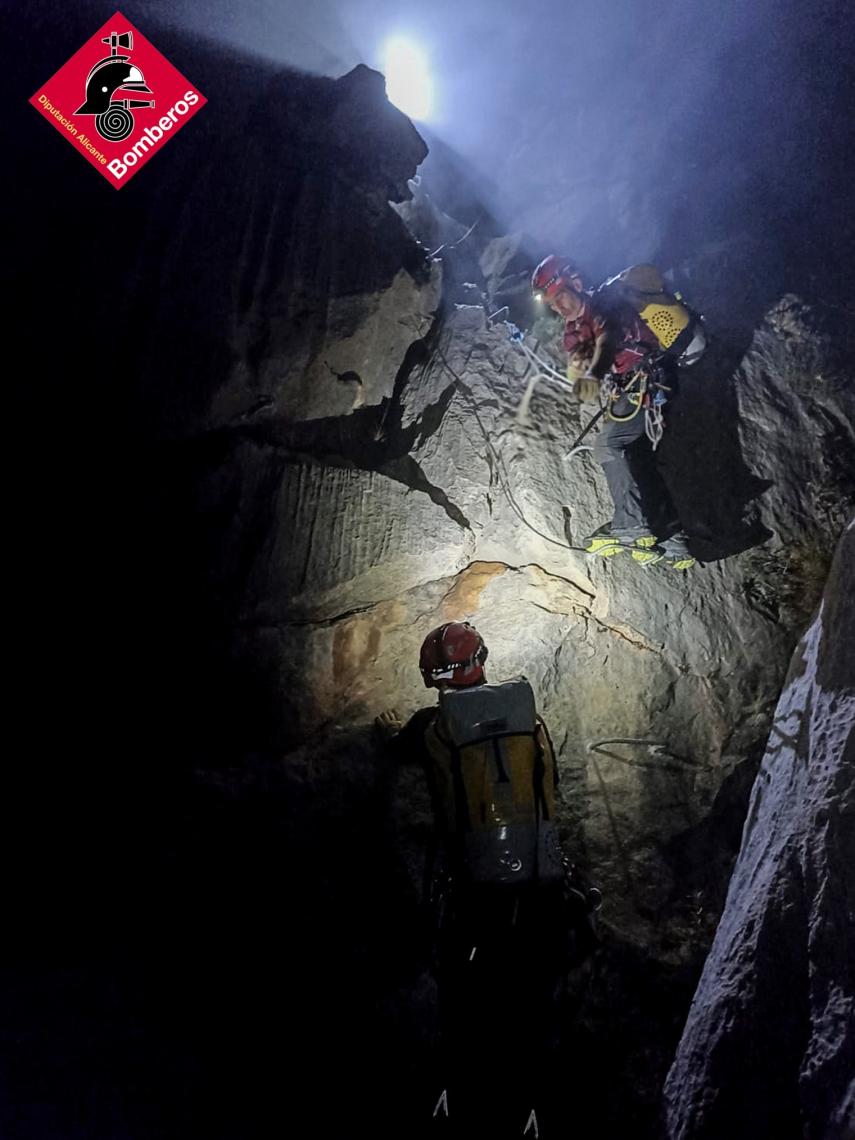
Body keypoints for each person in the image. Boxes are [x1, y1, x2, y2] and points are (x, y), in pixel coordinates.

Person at [375, 621, 600, 1133]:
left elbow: (396, 747)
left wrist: (390, 731)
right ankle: (532, 1109)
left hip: (479, 897)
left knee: (470, 1003)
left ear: (434, 676)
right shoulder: (527, 716)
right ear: (482, 659)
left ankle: (462, 1103)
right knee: (531, 1003)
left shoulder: (433, 725)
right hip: (543, 889)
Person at [531, 255, 696, 569]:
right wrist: (581, 375)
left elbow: (608, 340)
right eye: (551, 304)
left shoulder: (603, 305)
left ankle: (631, 526)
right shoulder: (573, 329)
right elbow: (580, 362)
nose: (558, 307)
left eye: (560, 297)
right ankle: (674, 540)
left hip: (649, 380)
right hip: (633, 387)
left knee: (608, 445)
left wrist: (594, 374)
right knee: (640, 460)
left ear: (575, 283)